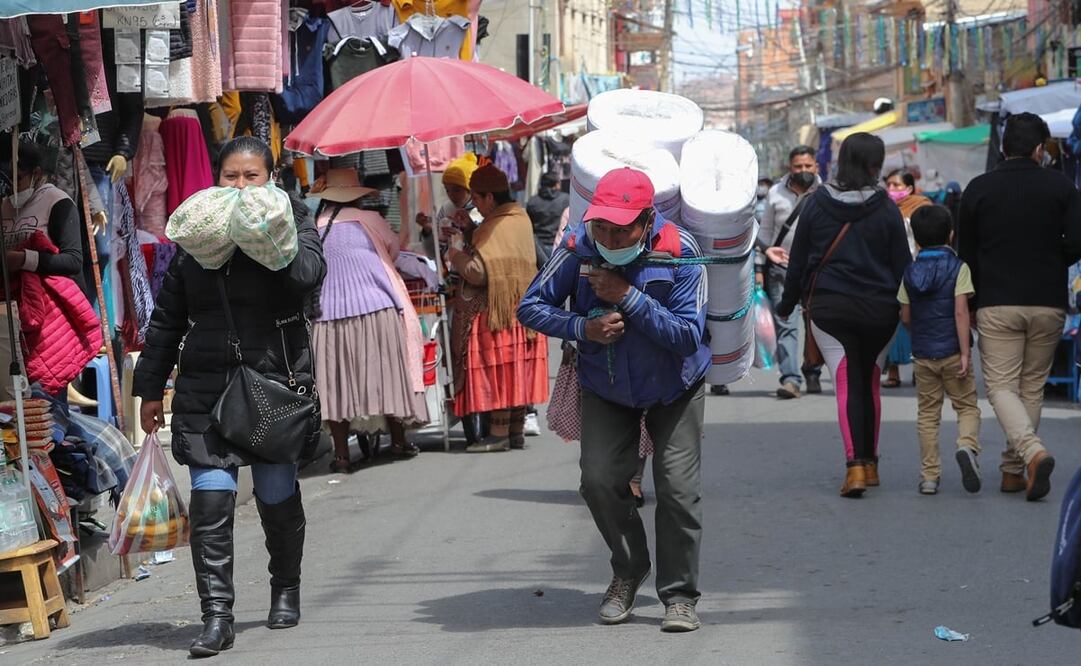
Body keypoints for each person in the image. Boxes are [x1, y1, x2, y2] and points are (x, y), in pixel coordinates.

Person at [133, 137, 326, 657]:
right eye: (230, 178)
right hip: (206, 385)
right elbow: (168, 315)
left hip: (274, 382)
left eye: (252, 177)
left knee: (274, 495)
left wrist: (268, 235)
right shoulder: (197, 233)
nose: (240, 187)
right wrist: (150, 386)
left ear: (272, 178)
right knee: (211, 501)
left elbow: (308, 278)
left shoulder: (294, 219)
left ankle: (285, 587)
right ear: (216, 179)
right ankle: (216, 616)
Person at [518, 167, 711, 633]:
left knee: (677, 491)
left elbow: (688, 335)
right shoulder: (576, 248)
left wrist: (628, 296)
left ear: (647, 220)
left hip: (674, 387)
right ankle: (628, 569)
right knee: (599, 479)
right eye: (601, 225)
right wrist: (582, 328)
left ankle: (679, 595)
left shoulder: (683, 253)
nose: (608, 235)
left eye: (621, 227)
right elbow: (532, 305)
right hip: (605, 386)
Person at [777, 133, 911, 498]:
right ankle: (870, 464)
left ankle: (854, 468)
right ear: (873, 165)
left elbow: (799, 261)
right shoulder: (885, 207)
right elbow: (903, 264)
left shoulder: (817, 204)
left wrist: (787, 304)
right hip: (880, 311)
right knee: (869, 383)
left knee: (845, 383)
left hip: (830, 309)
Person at [958, 112, 1081, 501]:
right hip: (1047, 301)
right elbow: (1077, 244)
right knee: (1032, 387)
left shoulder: (978, 189)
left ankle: (1031, 452)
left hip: (996, 301)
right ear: (1040, 149)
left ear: (1003, 146)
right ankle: (1013, 471)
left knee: (999, 387)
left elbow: (966, 253)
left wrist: (972, 303)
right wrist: (1052, 259)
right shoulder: (1062, 187)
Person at [309, 169, 428, 472]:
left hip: (328, 315)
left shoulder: (315, 227)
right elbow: (393, 249)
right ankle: (399, 442)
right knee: (388, 373)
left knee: (335, 383)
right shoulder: (370, 220)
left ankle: (341, 456)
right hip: (377, 306)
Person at [447, 163, 548, 452]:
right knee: (517, 369)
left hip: (499, 313)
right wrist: (471, 230)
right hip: (526, 313)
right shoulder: (519, 217)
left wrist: (455, 254)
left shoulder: (494, 225)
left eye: (476, 199)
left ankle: (499, 434)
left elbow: (479, 272)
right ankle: (515, 431)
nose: (475, 205)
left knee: (498, 371)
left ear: (490, 198)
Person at [899, 205, 981, 496]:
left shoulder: (910, 271)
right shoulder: (959, 268)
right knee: (967, 406)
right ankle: (966, 445)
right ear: (951, 235)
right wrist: (965, 353)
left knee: (928, 415)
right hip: (951, 351)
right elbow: (961, 313)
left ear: (917, 240)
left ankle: (929, 477)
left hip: (923, 354)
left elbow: (906, 316)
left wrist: (920, 336)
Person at [759, 145, 824, 399]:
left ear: (816, 166)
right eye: (799, 166)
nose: (804, 171)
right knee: (786, 324)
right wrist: (765, 253)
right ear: (790, 168)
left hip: (817, 271)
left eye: (808, 166)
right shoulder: (775, 194)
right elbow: (764, 233)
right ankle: (790, 380)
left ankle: (812, 370)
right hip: (781, 270)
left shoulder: (826, 193)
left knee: (815, 325)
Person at [1, 141, 87, 297]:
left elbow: (73, 261)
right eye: (10, 180)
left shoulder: (57, 202)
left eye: (18, 178)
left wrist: (25, 259)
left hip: (50, 301)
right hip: (13, 301)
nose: (13, 186)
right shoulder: (4, 206)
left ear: (37, 174)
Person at [882, 168, 932, 388]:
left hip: (918, 271)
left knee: (918, 322)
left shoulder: (923, 207)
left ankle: (919, 370)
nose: (891, 189)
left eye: (897, 185)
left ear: (909, 188)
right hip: (891, 273)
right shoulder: (883, 209)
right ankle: (893, 371)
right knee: (893, 322)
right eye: (889, 185)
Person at [416, 151, 482, 257]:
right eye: (447, 190)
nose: (451, 195)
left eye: (456, 190)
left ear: (470, 189)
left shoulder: (481, 212)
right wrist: (428, 231)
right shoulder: (446, 209)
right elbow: (433, 254)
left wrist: (464, 235)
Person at [526, 171, 569, 267]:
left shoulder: (532, 202)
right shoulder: (566, 200)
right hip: (559, 248)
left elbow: (529, 226)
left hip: (536, 249)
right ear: (557, 184)